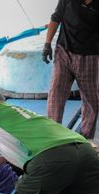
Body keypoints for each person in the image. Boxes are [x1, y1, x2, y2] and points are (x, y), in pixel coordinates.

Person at [42, 0, 99, 144]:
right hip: (64, 52)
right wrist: (47, 44)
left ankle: (85, 139)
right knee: (56, 93)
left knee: (91, 100)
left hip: (90, 56)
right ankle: (52, 136)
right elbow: (56, 18)